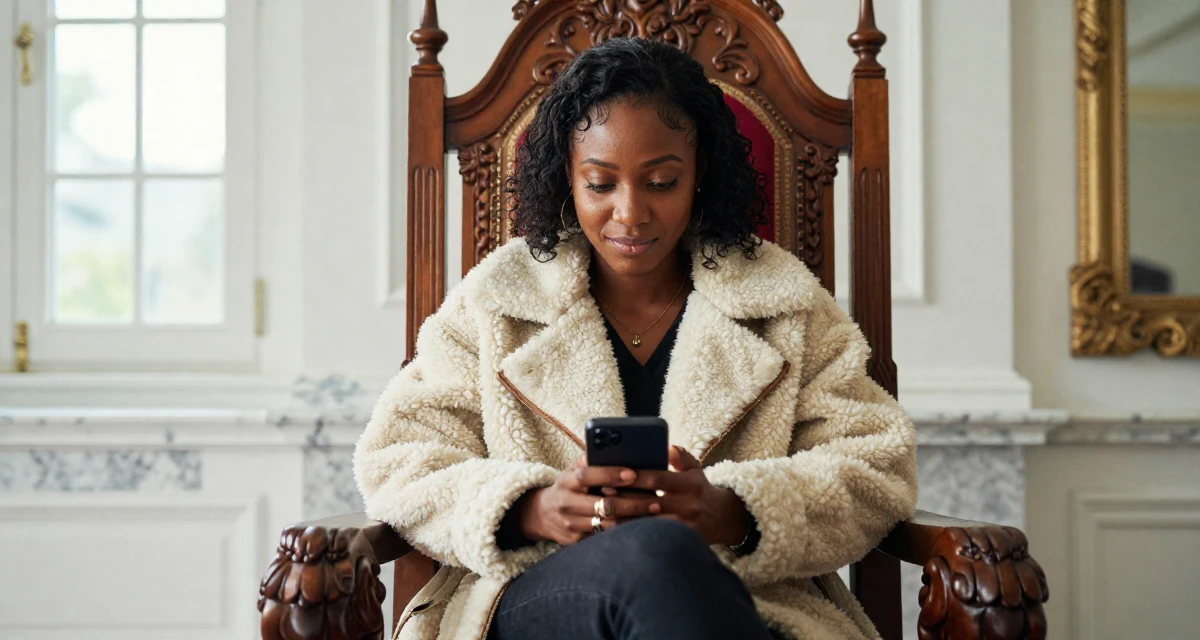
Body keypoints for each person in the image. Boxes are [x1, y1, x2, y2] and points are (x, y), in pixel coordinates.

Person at [354, 37, 917, 640]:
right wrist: (531, 509)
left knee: (666, 559)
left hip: (742, 605)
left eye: (661, 182)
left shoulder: (783, 303)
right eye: (600, 184)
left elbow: (876, 464)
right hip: (537, 598)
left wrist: (734, 510)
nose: (630, 213)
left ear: (699, 175)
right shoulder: (498, 302)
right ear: (567, 179)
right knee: (655, 554)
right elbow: (397, 459)